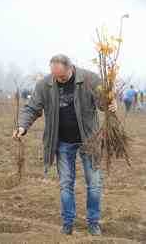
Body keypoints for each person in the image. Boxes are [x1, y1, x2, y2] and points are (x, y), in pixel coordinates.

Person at [13, 54, 117, 236]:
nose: (58, 80)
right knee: (66, 184)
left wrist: (110, 102)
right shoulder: (45, 85)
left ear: (71, 68)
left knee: (94, 183)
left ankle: (93, 223)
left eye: (62, 77)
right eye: (55, 76)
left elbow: (102, 103)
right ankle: (68, 222)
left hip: (89, 140)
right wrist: (22, 126)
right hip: (61, 141)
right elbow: (32, 108)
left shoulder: (90, 79)